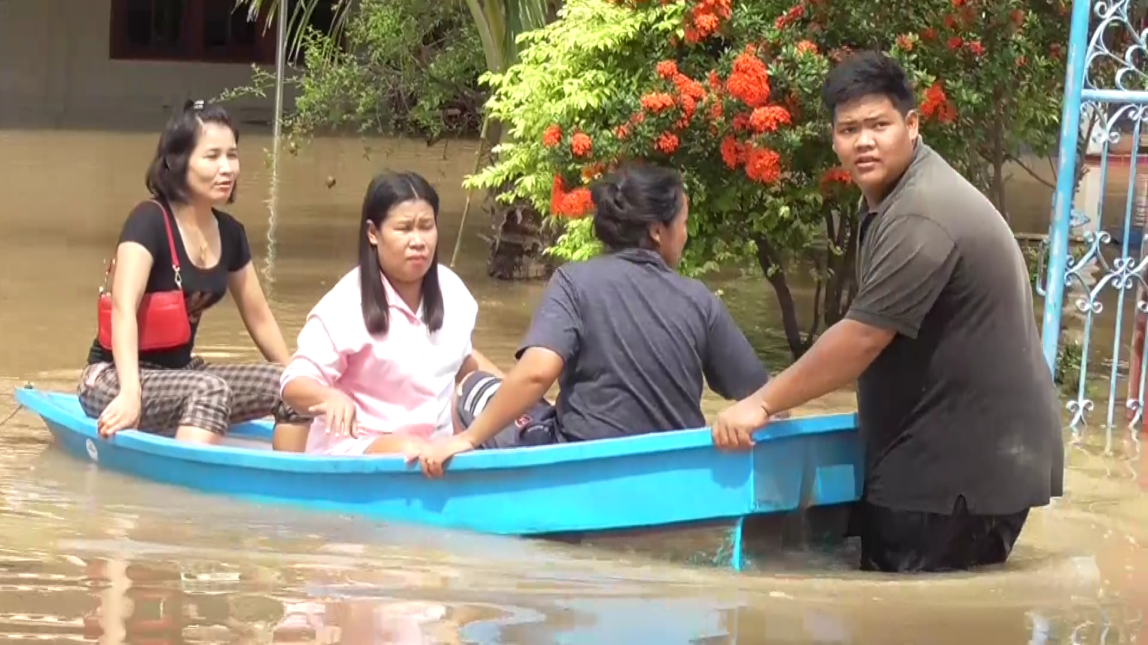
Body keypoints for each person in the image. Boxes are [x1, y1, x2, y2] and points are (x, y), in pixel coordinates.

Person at [711, 51, 1065, 572]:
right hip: (962, 461)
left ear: (912, 125)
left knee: (908, 613)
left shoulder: (921, 212)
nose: (864, 141)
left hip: (952, 473)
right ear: (833, 139)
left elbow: (861, 339)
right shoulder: (890, 197)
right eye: (849, 129)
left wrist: (760, 403)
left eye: (878, 125)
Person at [409, 163, 772, 477]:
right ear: (657, 231)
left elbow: (536, 373)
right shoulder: (699, 299)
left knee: (471, 387)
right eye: (684, 223)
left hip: (581, 464)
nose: (685, 234)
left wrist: (466, 439)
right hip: (673, 467)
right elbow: (764, 396)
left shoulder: (573, 282)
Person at [79, 99, 307, 445]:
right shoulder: (148, 220)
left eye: (232, 155)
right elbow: (124, 311)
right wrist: (129, 393)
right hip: (113, 377)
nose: (227, 168)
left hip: (180, 375)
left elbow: (259, 317)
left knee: (290, 386)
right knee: (210, 389)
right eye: (212, 156)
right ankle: (187, 493)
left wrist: (300, 378)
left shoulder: (231, 233)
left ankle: (290, 485)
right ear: (175, 161)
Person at [279, 171, 501, 456]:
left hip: (440, 448)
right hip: (363, 448)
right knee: (410, 449)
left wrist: (520, 396)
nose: (418, 241)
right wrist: (328, 396)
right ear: (373, 233)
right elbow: (294, 382)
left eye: (426, 226)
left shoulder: (453, 291)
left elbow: (463, 363)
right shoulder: (345, 304)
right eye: (405, 228)